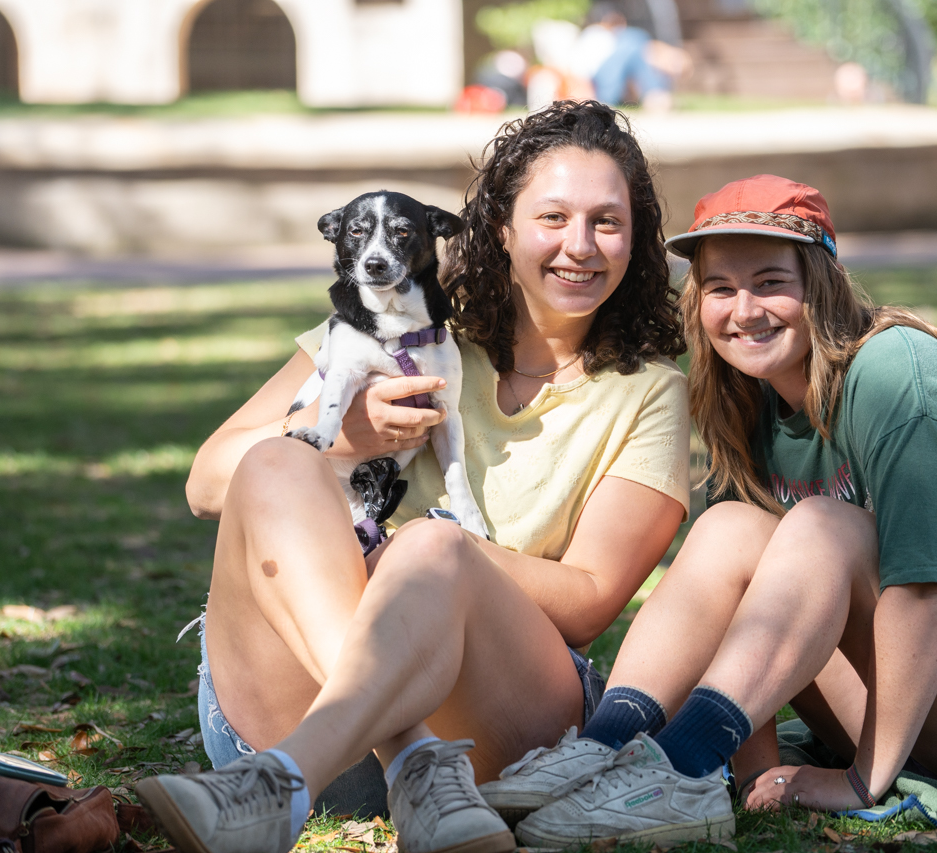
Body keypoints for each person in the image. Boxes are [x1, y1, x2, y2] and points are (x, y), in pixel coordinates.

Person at [480, 175, 937, 847]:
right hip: (914, 693)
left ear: (822, 282)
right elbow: (736, 609)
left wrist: (863, 780)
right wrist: (758, 777)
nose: (745, 310)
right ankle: (604, 751)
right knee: (728, 529)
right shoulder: (754, 403)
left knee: (823, 525)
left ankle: (674, 766)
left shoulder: (891, 372)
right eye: (720, 289)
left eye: (771, 282)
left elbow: (931, 594)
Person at [135, 100, 691, 853]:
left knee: (431, 551)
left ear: (637, 239)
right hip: (283, 706)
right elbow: (207, 482)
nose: (580, 246)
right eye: (553, 217)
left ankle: (294, 786)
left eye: (607, 221)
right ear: (501, 228)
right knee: (277, 458)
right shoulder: (387, 321)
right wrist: (342, 437)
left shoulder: (648, 388)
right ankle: (409, 760)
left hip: (493, 728)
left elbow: (591, 601)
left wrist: (421, 553)